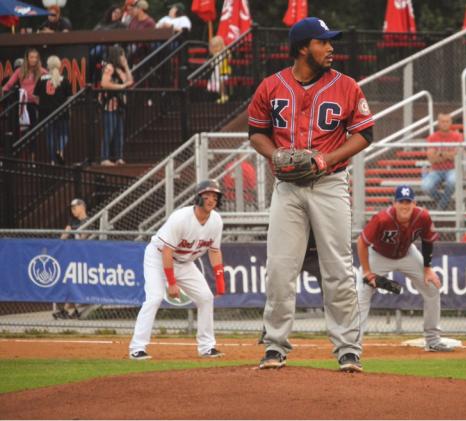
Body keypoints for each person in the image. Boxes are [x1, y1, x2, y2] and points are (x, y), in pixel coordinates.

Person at [248, 17, 374, 373]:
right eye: (324, 42)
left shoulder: (347, 86)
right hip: (287, 188)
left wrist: (326, 158)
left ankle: (348, 348)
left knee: (337, 269)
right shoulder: (270, 87)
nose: (331, 47)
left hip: (330, 185)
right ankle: (274, 346)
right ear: (304, 47)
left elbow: (365, 133)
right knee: (279, 269)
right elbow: (256, 133)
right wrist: (273, 154)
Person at [129, 180, 226, 359]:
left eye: (215, 196)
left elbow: (214, 250)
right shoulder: (181, 218)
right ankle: (137, 348)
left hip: (185, 262)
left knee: (206, 298)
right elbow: (167, 251)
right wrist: (172, 283)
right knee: (155, 298)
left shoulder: (216, 221)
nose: (212, 200)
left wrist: (220, 279)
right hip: (158, 258)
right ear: (198, 198)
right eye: (207, 196)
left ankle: (207, 347)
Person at [356, 185, 454, 352]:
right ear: (394, 203)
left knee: (432, 288)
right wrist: (367, 272)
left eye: (408, 202)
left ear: (414, 203)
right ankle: (353, 344)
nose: (405, 205)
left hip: (408, 254)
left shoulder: (422, 216)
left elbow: (428, 240)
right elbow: (362, 243)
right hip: (378, 256)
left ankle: (433, 340)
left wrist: (427, 268)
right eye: (401, 201)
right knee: (362, 292)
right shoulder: (382, 218)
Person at [54, 198, 90, 319]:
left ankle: (66, 309)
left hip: (82, 259)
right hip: (70, 257)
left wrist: (75, 234)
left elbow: (84, 238)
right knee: (68, 281)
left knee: (72, 282)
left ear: (82, 207)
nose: (73, 210)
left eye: (75, 207)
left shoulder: (89, 221)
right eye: (71, 208)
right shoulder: (72, 221)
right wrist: (70, 232)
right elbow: (63, 237)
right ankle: (72, 310)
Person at [33, 56, 72, 165]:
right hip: (61, 113)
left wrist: (41, 105)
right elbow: (69, 98)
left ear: (48, 66)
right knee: (64, 135)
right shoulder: (64, 80)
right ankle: (59, 150)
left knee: (50, 136)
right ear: (59, 65)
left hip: (45, 113)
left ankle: (53, 160)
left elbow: (35, 97)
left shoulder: (41, 79)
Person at [421, 113, 464, 210]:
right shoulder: (432, 137)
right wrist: (448, 154)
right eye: (442, 122)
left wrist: (439, 153)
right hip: (436, 170)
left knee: (452, 181)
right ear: (438, 123)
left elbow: (457, 156)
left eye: (447, 121)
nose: (445, 124)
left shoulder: (457, 136)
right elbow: (431, 159)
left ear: (451, 122)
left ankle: (441, 206)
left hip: (453, 169)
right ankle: (444, 200)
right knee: (425, 187)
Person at [100, 45, 133, 166]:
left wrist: (126, 66)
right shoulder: (109, 67)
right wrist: (120, 86)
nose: (123, 57)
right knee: (110, 130)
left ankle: (119, 157)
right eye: (122, 55)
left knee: (119, 131)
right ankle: (104, 158)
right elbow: (104, 83)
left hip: (120, 104)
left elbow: (130, 81)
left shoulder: (120, 69)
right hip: (110, 104)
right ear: (116, 55)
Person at [208, 35, 231, 104]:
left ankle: (223, 95)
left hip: (224, 71)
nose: (215, 49)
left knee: (221, 82)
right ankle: (221, 95)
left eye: (217, 46)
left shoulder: (224, 52)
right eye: (213, 47)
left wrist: (226, 52)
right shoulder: (215, 55)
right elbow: (213, 64)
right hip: (217, 71)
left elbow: (229, 57)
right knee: (217, 82)